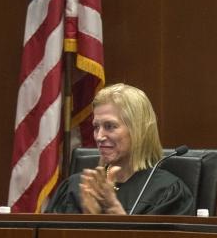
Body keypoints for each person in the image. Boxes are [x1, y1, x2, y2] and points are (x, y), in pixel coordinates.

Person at [46, 83, 195, 215]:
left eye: (109, 126)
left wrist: (114, 211)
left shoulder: (167, 192)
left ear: (138, 130)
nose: (99, 136)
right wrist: (89, 219)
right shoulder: (75, 187)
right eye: (96, 127)